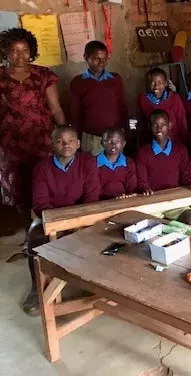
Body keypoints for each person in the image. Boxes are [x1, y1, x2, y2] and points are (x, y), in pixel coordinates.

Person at [24, 125, 100, 313]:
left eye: (71, 141)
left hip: (80, 217)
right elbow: (40, 203)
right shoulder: (42, 168)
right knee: (35, 236)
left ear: (78, 143)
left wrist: (74, 223)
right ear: (52, 144)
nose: (66, 145)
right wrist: (61, 225)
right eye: (60, 141)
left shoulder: (88, 162)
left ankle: (89, 282)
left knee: (97, 234)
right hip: (52, 218)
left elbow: (91, 197)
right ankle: (37, 288)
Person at [0, 28, 66, 231]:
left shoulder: (43, 75)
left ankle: (48, 229)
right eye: (14, 50)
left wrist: (64, 135)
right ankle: (29, 232)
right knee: (18, 189)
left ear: (32, 51)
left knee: (45, 183)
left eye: (25, 50)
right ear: (6, 52)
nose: (20, 55)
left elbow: (55, 108)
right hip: (10, 144)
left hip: (41, 140)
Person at [69, 41, 129, 156]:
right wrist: (77, 138)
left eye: (104, 58)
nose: (101, 63)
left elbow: (122, 107)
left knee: (115, 168)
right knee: (93, 170)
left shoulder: (115, 79)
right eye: (96, 58)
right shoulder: (78, 82)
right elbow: (75, 114)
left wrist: (126, 132)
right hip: (91, 137)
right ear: (85, 57)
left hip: (115, 137)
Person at [136, 109, 191, 195]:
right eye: (155, 125)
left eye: (163, 124)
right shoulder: (143, 153)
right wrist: (146, 189)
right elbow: (142, 183)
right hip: (153, 201)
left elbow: (187, 178)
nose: (159, 129)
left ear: (169, 125)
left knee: (188, 209)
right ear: (149, 126)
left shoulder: (181, 150)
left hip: (176, 199)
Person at [136, 67, 189, 147]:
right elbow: (141, 124)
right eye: (152, 83)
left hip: (173, 142)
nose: (156, 87)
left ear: (165, 83)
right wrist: (140, 143)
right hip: (152, 143)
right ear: (148, 83)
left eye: (160, 83)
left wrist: (184, 143)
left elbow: (182, 121)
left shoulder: (174, 98)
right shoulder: (143, 99)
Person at [96, 127, 137, 200]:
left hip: (123, 201)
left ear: (124, 143)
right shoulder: (94, 163)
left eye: (117, 141)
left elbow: (131, 188)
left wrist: (127, 196)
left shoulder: (129, 163)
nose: (113, 144)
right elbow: (93, 190)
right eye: (109, 141)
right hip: (100, 203)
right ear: (102, 142)